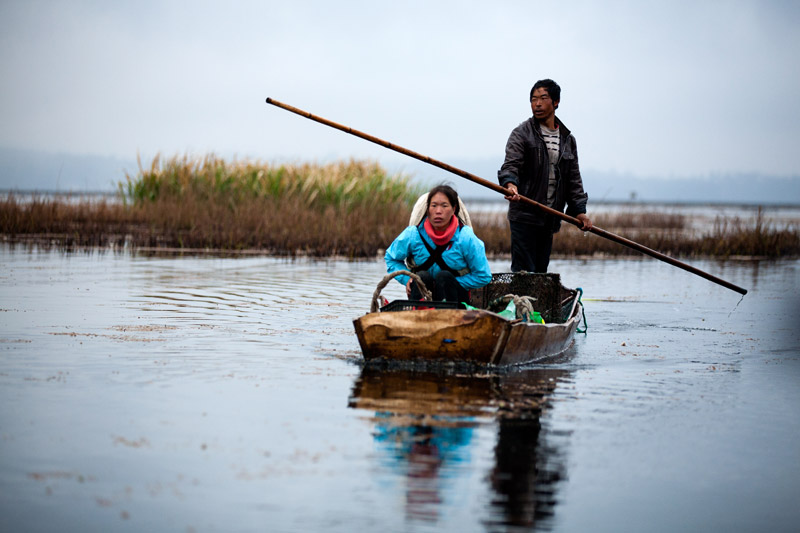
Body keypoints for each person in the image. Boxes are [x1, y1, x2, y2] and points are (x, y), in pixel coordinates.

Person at [498, 79, 592, 273]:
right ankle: (521, 303)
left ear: (556, 102)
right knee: (524, 272)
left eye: (543, 98)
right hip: (524, 214)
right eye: (533, 99)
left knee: (541, 271)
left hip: (550, 216)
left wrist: (579, 211)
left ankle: (535, 304)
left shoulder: (567, 140)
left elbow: (573, 179)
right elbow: (511, 165)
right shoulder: (522, 134)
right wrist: (510, 185)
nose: (537, 104)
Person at [385, 184, 491, 303]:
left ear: (453, 209)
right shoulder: (413, 234)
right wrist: (406, 278)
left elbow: (483, 275)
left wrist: (455, 282)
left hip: (455, 298)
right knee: (422, 277)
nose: (438, 211)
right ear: (428, 210)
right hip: (422, 295)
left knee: (444, 278)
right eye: (434, 206)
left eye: (444, 206)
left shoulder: (465, 237)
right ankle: (417, 314)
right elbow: (391, 258)